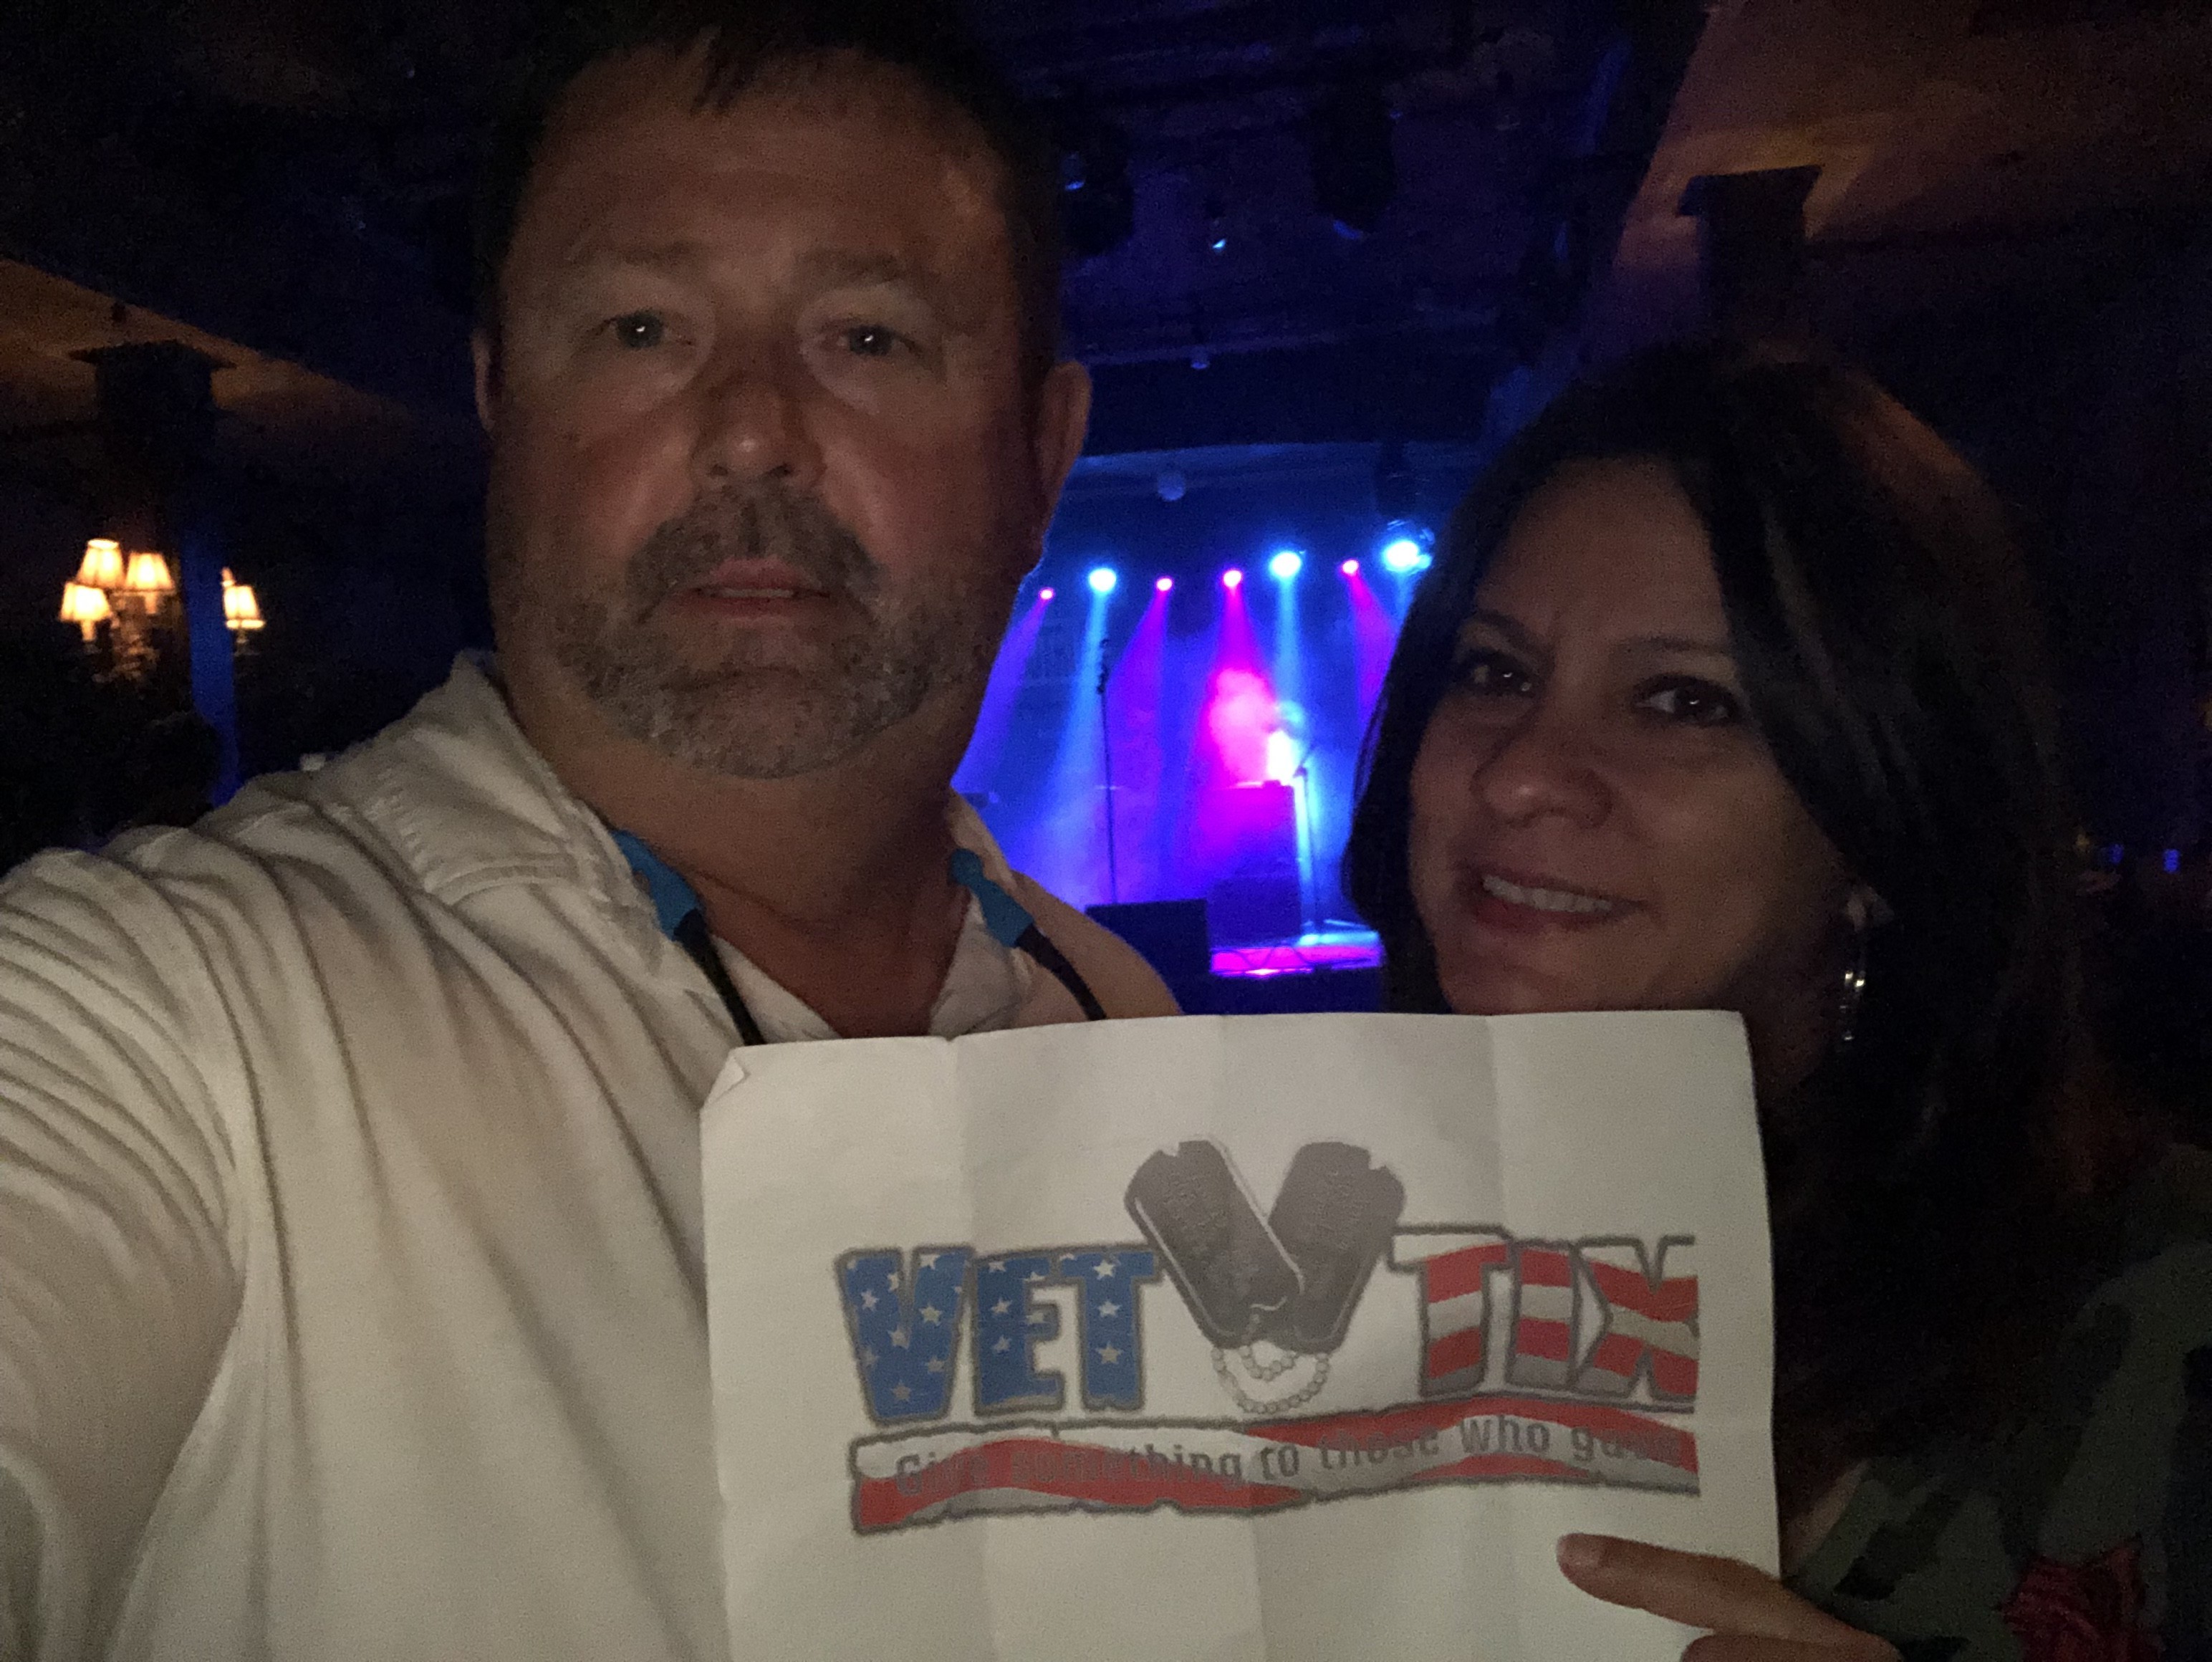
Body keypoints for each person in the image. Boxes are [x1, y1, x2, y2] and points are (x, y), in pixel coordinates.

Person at [0, 4, 1175, 1657]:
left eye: (867, 336)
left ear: (1041, 455)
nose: (750, 427)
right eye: (638, 328)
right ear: (503, 398)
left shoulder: (1116, 1012)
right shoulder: (161, 1015)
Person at [1346, 342, 2209, 1661]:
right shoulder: (1270, 1232)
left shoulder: (2160, 1310)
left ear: (1880, 813)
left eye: (1682, 701)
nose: (1520, 774)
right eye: (1495, 672)